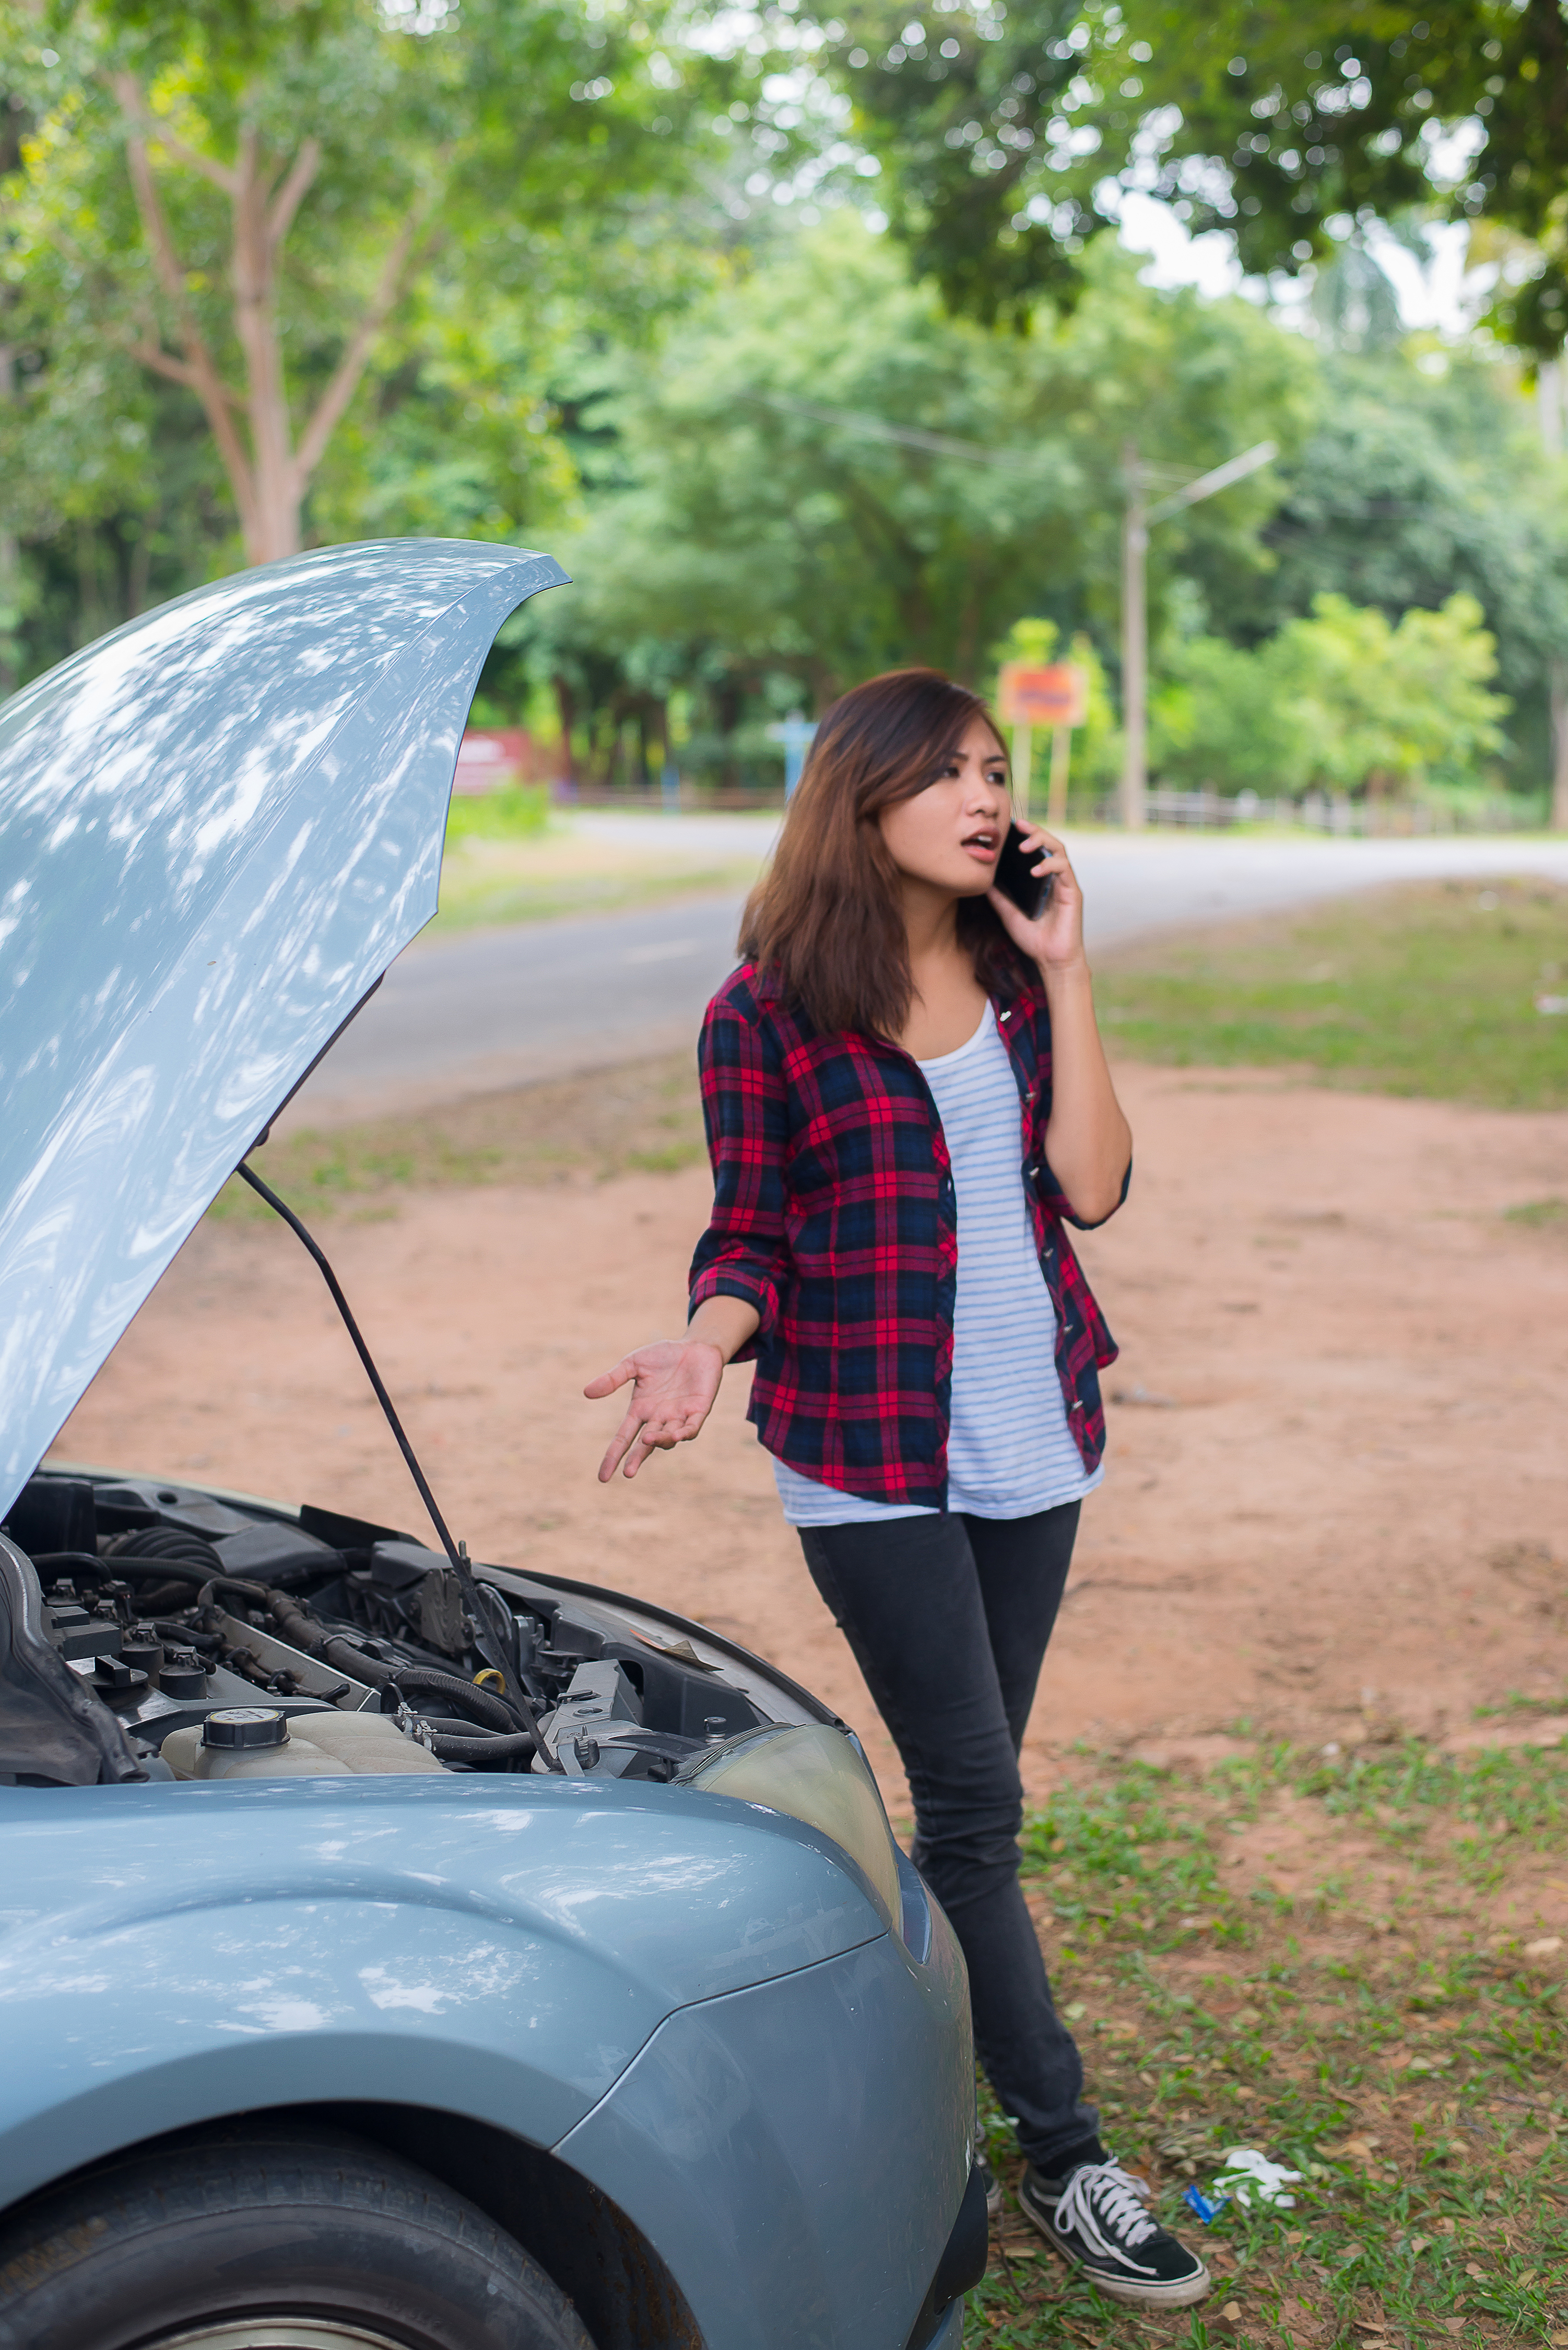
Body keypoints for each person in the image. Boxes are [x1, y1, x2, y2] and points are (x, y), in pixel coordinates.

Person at [585, 666, 1209, 2311]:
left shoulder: (1015, 972)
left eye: (997, 771)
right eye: (948, 775)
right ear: (860, 800)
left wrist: (1069, 973)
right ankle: (1065, 2153)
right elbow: (752, 1230)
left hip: (1036, 1434)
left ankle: (901, 2080)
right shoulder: (763, 1009)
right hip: (867, 1452)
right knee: (981, 1807)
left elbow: (1091, 1187)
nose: (986, 799)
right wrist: (705, 1343)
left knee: (964, 1814)